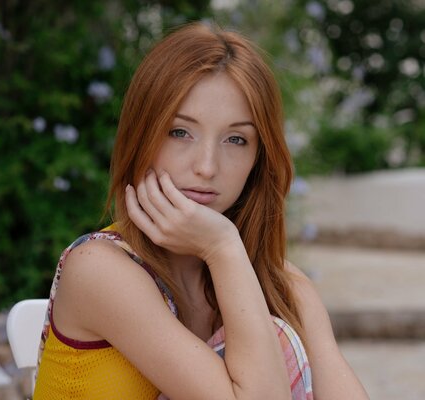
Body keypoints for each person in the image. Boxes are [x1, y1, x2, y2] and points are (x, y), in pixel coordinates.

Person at [33, 21, 369, 400]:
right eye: (180, 132)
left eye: (236, 139)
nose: (207, 166)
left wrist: (225, 253)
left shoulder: (283, 287)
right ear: (141, 134)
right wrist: (222, 245)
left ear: (259, 159)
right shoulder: (99, 268)